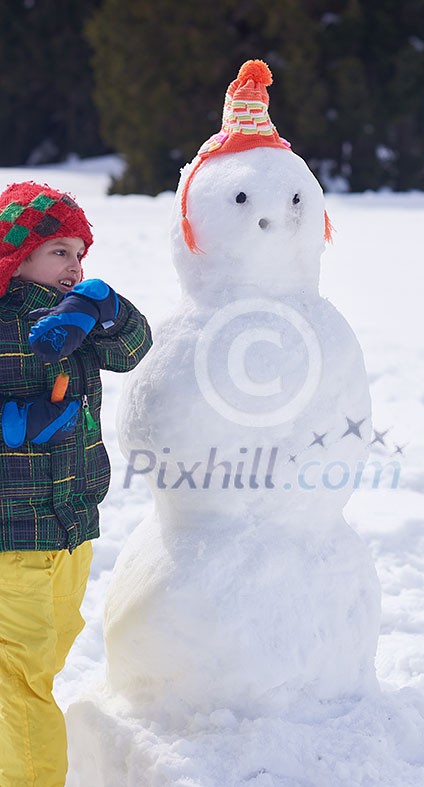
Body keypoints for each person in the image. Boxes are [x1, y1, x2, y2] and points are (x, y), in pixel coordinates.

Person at [0, 181, 152, 785]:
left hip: (71, 528)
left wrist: (102, 303)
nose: (75, 264)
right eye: (59, 251)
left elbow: (136, 349)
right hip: (14, 535)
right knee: (18, 677)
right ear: (17, 256)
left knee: (45, 659)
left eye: (81, 253)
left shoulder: (78, 317)